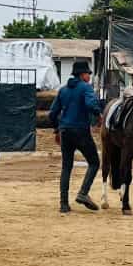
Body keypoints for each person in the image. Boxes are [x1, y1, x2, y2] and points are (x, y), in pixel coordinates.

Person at [49, 61, 101, 214]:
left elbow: (52, 113)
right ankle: (83, 193)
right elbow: (91, 104)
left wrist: (56, 130)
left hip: (65, 131)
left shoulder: (63, 90)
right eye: (88, 74)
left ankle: (64, 204)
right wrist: (98, 114)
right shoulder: (86, 88)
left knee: (66, 166)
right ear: (82, 74)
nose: (89, 76)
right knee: (94, 162)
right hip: (81, 131)